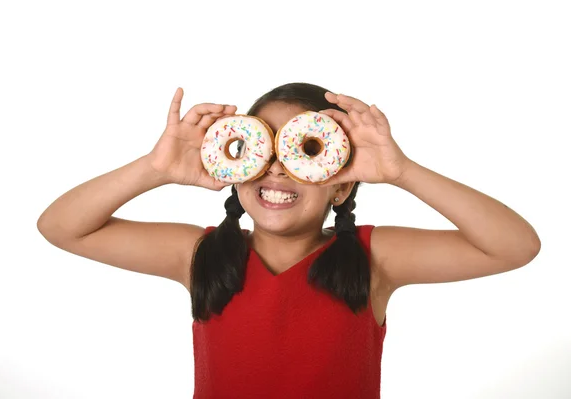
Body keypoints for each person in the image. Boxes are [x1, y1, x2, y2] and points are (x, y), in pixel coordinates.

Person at [37, 82, 541, 398]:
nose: (276, 168)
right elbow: (61, 226)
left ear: (341, 183)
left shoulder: (373, 259)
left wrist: (402, 171)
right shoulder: (198, 254)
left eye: (301, 150)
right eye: (262, 149)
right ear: (235, 165)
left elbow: (513, 246)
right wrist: (154, 169)